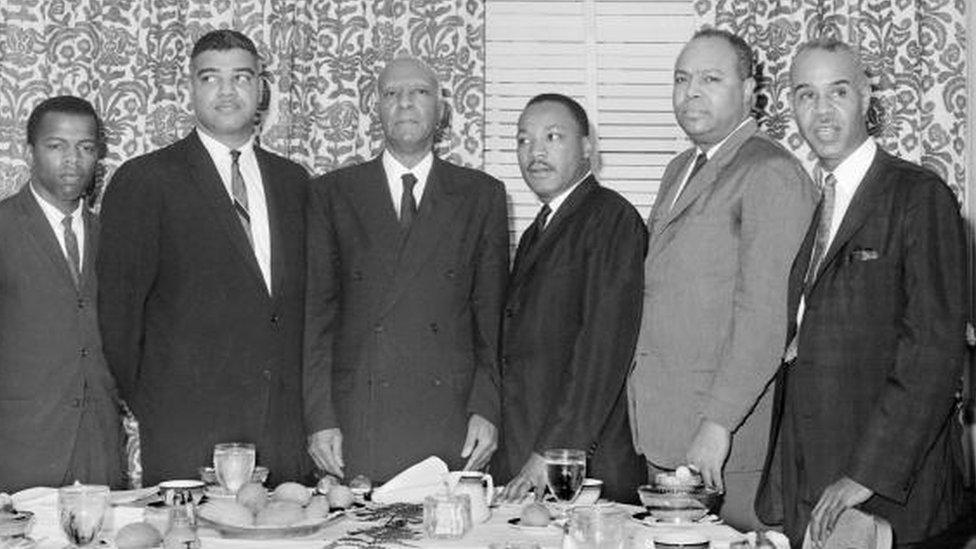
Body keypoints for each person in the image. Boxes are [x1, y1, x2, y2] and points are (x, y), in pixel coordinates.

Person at [754, 38, 968, 546]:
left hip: (885, 488)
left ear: (867, 98)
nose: (821, 111)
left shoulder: (918, 196)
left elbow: (933, 354)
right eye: (806, 94)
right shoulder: (815, 200)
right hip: (814, 478)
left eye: (838, 92)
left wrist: (866, 474)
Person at [97, 30, 311, 485]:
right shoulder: (144, 181)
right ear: (190, 88)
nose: (228, 91)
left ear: (261, 88)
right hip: (186, 430)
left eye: (241, 77)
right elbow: (118, 318)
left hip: (283, 431)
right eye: (211, 78)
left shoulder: (296, 183)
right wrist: (156, 404)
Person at [627, 29, 817, 528]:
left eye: (711, 79)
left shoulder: (770, 171)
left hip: (724, 443)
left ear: (751, 91)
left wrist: (717, 423)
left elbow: (765, 318)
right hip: (666, 428)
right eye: (682, 79)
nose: (691, 91)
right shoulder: (679, 169)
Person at [304, 56, 508, 482]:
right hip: (360, 415)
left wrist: (486, 408)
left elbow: (491, 321)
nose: (405, 103)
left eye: (419, 92)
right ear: (375, 109)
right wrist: (319, 417)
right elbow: (317, 320)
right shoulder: (333, 193)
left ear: (441, 109)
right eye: (391, 93)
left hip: (449, 417)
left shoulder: (481, 195)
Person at [497, 94, 647, 504]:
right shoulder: (537, 231)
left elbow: (601, 351)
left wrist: (552, 453)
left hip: (583, 466)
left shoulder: (611, 219)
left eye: (552, 136)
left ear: (586, 148)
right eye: (523, 140)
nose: (535, 152)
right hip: (531, 453)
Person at [0, 96, 125, 492]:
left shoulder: (114, 236)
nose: (73, 160)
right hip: (19, 452)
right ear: (29, 151)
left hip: (100, 452)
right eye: (57, 146)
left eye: (86, 148)